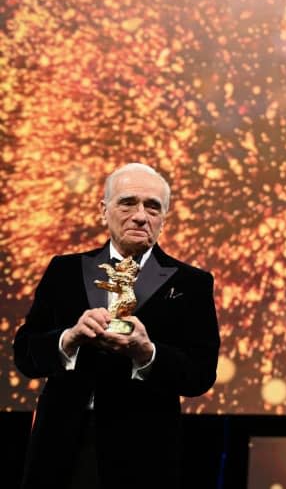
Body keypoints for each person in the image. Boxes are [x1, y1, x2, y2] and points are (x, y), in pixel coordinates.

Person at [13, 163, 220, 489]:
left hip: (142, 454)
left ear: (164, 218)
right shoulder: (64, 270)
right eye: (128, 202)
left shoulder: (192, 283)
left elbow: (200, 375)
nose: (140, 215)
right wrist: (70, 338)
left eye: (152, 206)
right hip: (60, 448)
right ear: (103, 210)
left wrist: (147, 353)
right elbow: (25, 354)